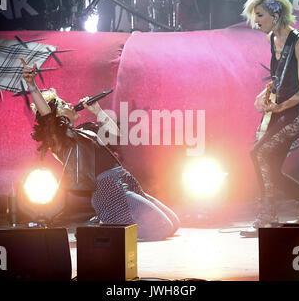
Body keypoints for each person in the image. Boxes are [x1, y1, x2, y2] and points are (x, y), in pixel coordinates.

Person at [20, 58, 180, 241]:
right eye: (63, 104)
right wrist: (31, 83)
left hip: (123, 178)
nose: (69, 104)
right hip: (108, 187)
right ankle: (105, 231)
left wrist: (97, 111)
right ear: (57, 115)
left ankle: (105, 223)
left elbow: (116, 135)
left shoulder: (86, 129)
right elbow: (47, 116)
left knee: (174, 222)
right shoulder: (60, 140)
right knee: (162, 228)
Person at [239, 0, 299, 237]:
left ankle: (268, 216)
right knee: (270, 167)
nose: (256, 20)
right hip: (284, 108)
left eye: (260, 15)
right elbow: (279, 78)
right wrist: (265, 93)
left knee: (259, 152)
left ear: (276, 15)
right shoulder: (271, 38)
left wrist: (279, 107)